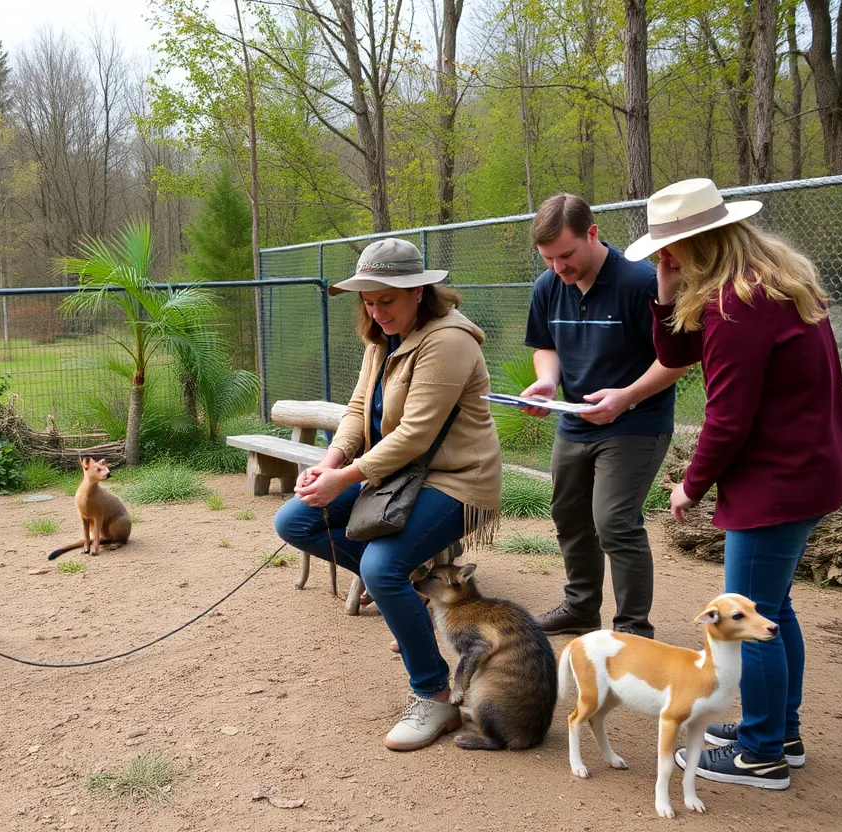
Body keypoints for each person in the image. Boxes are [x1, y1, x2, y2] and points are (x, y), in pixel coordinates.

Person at [625, 177, 842, 790]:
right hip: (807, 468)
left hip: (776, 478)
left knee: (748, 616)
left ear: (694, 245)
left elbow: (727, 417)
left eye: (670, 253)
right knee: (775, 611)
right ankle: (782, 733)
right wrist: (664, 296)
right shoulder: (766, 285)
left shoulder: (735, 307)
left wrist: (691, 486)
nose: (664, 262)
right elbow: (677, 353)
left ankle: (760, 754)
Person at [273, 237, 502, 752]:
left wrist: (346, 477)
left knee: (382, 568)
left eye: (387, 301)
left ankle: (435, 695)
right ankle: (414, 600)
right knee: (294, 522)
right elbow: (357, 411)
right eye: (368, 302)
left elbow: (415, 435)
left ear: (419, 292)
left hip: (457, 479)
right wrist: (326, 464)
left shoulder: (450, 340)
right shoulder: (382, 338)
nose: (377, 313)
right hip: (397, 475)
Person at [521, 194, 690, 639]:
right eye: (549, 258)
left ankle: (633, 629)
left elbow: (677, 360)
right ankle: (580, 608)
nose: (559, 268)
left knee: (614, 522)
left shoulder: (639, 282)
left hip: (636, 423)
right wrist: (546, 383)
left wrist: (627, 397)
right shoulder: (547, 286)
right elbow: (547, 346)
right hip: (574, 420)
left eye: (566, 255)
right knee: (569, 517)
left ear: (592, 234)